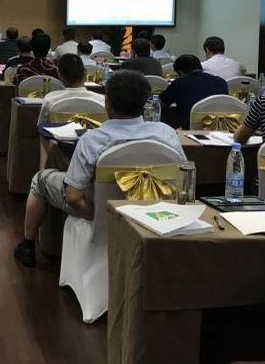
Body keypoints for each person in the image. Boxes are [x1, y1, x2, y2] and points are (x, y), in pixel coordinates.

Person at [14, 71, 184, 266]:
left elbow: (73, 197)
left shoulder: (92, 139)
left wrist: (104, 215)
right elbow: (182, 177)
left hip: (100, 209)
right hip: (154, 210)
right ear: (145, 103)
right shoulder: (166, 133)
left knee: (41, 180)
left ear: (107, 103)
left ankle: (27, 246)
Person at [159, 54, 229, 129]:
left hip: (191, 130)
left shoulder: (179, 83)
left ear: (181, 72)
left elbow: (160, 105)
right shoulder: (221, 82)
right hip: (220, 128)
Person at [38, 54, 105, 123]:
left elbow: (41, 125)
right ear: (85, 73)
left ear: (60, 75)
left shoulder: (50, 99)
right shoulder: (101, 100)